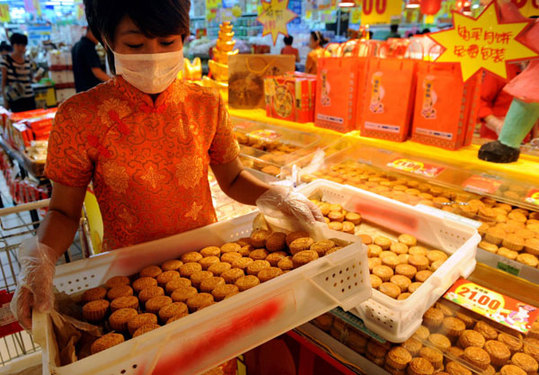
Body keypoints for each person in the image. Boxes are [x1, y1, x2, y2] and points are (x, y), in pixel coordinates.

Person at [11, 0, 324, 332]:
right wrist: (38, 261)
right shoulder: (79, 117)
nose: (153, 56)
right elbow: (63, 212)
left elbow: (232, 179)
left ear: (184, 37)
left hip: (208, 267)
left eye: (167, 42)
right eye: (135, 44)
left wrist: (278, 195)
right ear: (107, 39)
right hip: (129, 280)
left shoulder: (206, 103)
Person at [478, 64, 522, 139]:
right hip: (494, 138)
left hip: (524, 141)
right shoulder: (502, 69)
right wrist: (497, 124)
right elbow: (480, 101)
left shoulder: (533, 74)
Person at [1, 33, 37, 112]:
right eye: (20, 45)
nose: (22, 48)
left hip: (29, 97)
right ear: (14, 45)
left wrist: (36, 78)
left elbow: (31, 79)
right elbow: (3, 81)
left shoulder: (28, 60)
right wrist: (5, 101)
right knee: (18, 122)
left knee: (31, 120)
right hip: (15, 98)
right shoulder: (6, 60)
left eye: (24, 45)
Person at [72, 27, 110, 92]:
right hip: (90, 90)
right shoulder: (88, 47)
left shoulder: (76, 45)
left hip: (80, 90)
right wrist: (113, 81)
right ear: (91, 31)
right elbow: (97, 72)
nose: (100, 38)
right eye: (99, 34)